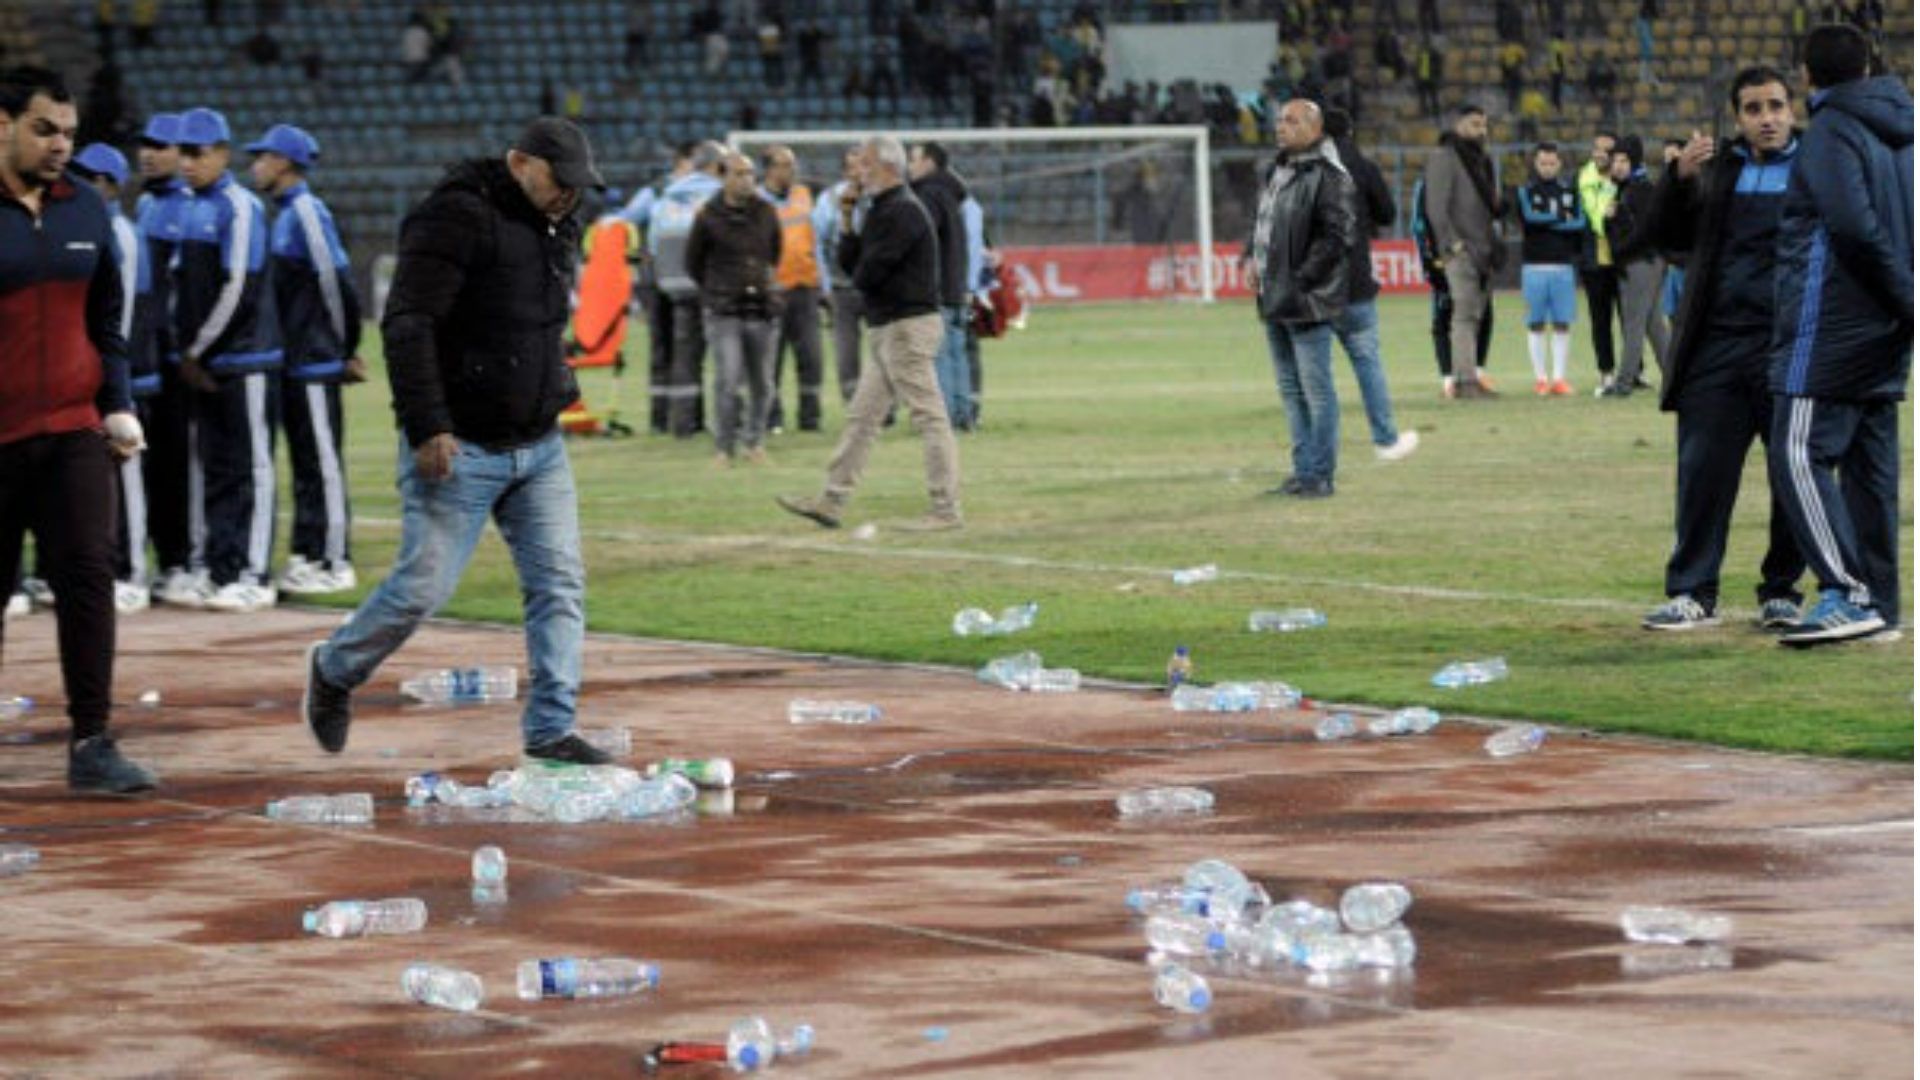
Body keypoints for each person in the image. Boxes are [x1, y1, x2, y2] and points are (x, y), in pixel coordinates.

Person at [302, 117, 613, 764]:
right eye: (561, 182)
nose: (570, 196)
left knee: (560, 583)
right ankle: (334, 669)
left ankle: (551, 729)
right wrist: (427, 423)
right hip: (459, 445)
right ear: (519, 163)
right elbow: (408, 321)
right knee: (422, 588)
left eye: (579, 187)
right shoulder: (452, 218)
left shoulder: (559, 222)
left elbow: (539, 321)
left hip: (539, 444)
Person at [0, 65, 155, 792]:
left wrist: (117, 403)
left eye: (68, 132)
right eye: (44, 130)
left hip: (73, 432)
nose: (61, 145)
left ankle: (92, 741)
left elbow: (107, 324)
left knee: (89, 577)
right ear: (2, 125)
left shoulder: (87, 213)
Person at [1637, 66, 1810, 633]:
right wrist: (1678, 180)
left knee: (1792, 475)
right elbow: (1661, 238)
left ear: (1793, 109)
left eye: (1776, 107)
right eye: (1755, 109)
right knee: (1703, 473)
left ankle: (1782, 590)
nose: (1767, 119)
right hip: (1718, 346)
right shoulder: (1716, 171)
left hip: (1791, 346)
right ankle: (1692, 591)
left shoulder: (1817, 166)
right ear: (1737, 118)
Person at [1766, 25, 1911, 645]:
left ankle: (1848, 594)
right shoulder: (1902, 131)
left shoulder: (1830, 131)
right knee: (1869, 468)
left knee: (1796, 452)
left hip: (1830, 324)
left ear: (1806, 77)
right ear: (1869, 68)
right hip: (1886, 329)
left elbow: (1851, 227)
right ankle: (1880, 604)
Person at [776, 135, 961, 532]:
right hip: (888, 328)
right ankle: (831, 500)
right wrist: (846, 218)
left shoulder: (902, 212)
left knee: (928, 416)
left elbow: (865, 274)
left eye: (865, 164)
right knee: (863, 417)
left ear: (889, 168)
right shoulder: (880, 208)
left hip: (906, 327)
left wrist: (859, 262)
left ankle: (945, 509)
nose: (857, 172)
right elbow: (851, 263)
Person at [173, 106, 283, 613]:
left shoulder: (239, 207)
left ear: (221, 153)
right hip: (211, 361)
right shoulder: (192, 206)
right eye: (183, 154)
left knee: (252, 467)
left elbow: (239, 286)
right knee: (217, 468)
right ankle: (222, 567)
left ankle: (254, 573)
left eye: (197, 154)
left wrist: (196, 350)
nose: (187, 163)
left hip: (246, 358)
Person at [247, 123, 361, 595]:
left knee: (322, 463)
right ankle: (309, 553)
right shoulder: (286, 215)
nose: (255, 165)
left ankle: (335, 560)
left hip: (314, 361)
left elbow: (336, 284)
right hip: (294, 361)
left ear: (284, 163)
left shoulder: (308, 212)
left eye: (262, 157)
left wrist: (344, 347)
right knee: (305, 461)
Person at [1246, 99, 1357, 498]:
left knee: (1316, 390)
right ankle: (1303, 469)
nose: (1281, 127)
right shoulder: (1278, 169)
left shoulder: (1329, 175)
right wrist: (1250, 258)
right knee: (1292, 391)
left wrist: (1300, 278)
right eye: (1279, 120)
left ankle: (1320, 475)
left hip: (1306, 300)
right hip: (1274, 295)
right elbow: (1264, 222)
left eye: (1291, 121)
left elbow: (1337, 237)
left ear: (1315, 127)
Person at [71, 142, 157, 614]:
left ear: (107, 183)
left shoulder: (117, 230)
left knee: (125, 475)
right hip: (95, 373)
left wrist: (110, 382)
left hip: (114, 377)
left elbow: (115, 320)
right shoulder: (94, 225)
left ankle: (131, 572)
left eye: (88, 174)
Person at [1323, 107, 1419, 459]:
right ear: (1350, 132)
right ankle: (1385, 439)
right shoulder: (1362, 167)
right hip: (1356, 282)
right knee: (1368, 364)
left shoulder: (1303, 169)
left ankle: (1321, 449)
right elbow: (1388, 213)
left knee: (1316, 372)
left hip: (1315, 287)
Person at [687, 151, 781, 466]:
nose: (746, 180)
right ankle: (723, 448)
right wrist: (718, 288)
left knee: (762, 383)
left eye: (750, 174)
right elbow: (693, 263)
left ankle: (754, 442)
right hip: (723, 309)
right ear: (723, 177)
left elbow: (774, 254)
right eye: (739, 174)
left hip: (761, 308)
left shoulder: (767, 212)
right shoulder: (707, 216)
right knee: (727, 379)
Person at [634, 140, 723, 439]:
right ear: (715, 167)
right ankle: (727, 421)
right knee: (725, 352)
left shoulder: (666, 198)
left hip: (671, 286)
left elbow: (655, 244)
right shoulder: (716, 195)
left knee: (684, 355)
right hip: (710, 284)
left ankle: (684, 423)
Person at [1424, 103, 1502, 399]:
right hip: (1462, 251)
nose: (1480, 131)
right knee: (1464, 315)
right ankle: (1465, 382)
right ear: (1457, 124)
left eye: (1483, 125)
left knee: (1475, 314)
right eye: (1474, 124)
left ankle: (1467, 377)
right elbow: (1436, 207)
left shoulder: (1479, 159)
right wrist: (1451, 245)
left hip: (1482, 249)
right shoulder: (1444, 157)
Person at [620, 141, 692, 434]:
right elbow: (623, 221)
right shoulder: (656, 193)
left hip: (690, 281)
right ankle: (660, 418)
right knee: (663, 348)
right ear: (681, 162)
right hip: (659, 280)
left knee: (689, 350)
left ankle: (689, 417)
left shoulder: (702, 194)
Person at [759, 144, 826, 433]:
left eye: (792, 164)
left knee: (812, 357)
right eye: (784, 164)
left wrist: (823, 281)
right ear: (769, 170)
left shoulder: (804, 195)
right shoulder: (757, 202)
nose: (791, 170)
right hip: (773, 290)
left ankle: (810, 418)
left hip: (805, 287)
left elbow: (817, 241)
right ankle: (771, 418)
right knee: (770, 359)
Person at [907, 141, 973, 432]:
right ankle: (963, 414)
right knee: (958, 353)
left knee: (939, 355)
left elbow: (923, 240)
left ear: (929, 163)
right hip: (956, 286)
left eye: (914, 160)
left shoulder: (928, 195)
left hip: (937, 289)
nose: (910, 166)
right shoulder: (953, 195)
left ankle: (942, 419)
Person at [1601, 136, 1669, 398]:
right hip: (1649, 261)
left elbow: (1640, 231)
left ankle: (1623, 384)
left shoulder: (1638, 191)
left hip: (1639, 262)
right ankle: (1675, 378)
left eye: (1623, 160)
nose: (1617, 165)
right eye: (1615, 160)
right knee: (1654, 326)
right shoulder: (1634, 188)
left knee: (1634, 324)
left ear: (1634, 161)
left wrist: (1615, 231)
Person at [1516, 142, 1585, 395]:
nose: (1547, 168)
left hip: (1563, 267)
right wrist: (1559, 220)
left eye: (1552, 163)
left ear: (1559, 164)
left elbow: (1579, 223)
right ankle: (1540, 378)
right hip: (1534, 266)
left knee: (1562, 323)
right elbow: (1529, 218)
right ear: (1535, 164)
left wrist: (1545, 222)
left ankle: (1559, 378)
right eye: (1542, 163)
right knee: (1535, 323)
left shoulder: (1570, 192)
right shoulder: (1525, 191)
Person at [812, 146, 867, 406]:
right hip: (841, 287)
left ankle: (884, 405)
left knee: (885, 350)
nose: (859, 170)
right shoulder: (829, 200)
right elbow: (818, 244)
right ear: (845, 171)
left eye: (864, 164)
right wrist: (824, 286)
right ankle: (853, 403)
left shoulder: (881, 196)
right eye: (853, 165)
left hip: (876, 287)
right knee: (846, 352)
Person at [1577, 130, 1622, 393]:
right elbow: (1593, 217)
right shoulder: (1584, 178)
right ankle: (1606, 372)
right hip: (1594, 260)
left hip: (1621, 259)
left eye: (1606, 150)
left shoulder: (1624, 177)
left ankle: (1633, 371)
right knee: (1600, 320)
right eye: (1596, 148)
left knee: (1629, 319)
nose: (1599, 154)